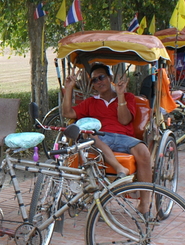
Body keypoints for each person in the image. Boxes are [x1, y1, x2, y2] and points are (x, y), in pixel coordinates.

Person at [61, 63, 152, 214]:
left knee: (143, 151)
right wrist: (69, 88)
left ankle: (145, 203)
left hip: (124, 138)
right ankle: (119, 168)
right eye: (94, 80)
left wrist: (121, 94)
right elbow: (67, 114)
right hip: (101, 138)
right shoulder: (91, 102)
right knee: (90, 135)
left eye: (102, 77)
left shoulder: (128, 97)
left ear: (110, 78)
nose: (99, 82)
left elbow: (124, 120)